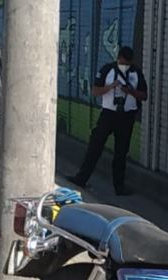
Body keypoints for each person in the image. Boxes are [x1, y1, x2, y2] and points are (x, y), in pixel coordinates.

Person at [67, 46, 147, 196]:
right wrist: (110, 87)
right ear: (119, 58)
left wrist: (130, 91)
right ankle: (81, 178)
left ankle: (119, 187)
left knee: (121, 152)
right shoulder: (107, 70)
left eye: (128, 63)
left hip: (126, 116)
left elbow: (144, 95)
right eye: (124, 62)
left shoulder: (136, 73)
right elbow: (95, 91)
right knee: (95, 146)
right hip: (108, 114)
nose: (126, 65)